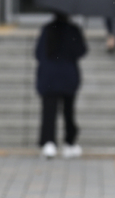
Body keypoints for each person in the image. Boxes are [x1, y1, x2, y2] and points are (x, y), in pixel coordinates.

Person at [35, 12, 88, 159]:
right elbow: (81, 51)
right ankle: (69, 143)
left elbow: (38, 53)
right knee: (68, 111)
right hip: (68, 76)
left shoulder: (46, 29)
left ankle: (48, 143)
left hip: (49, 76)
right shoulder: (73, 30)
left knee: (48, 112)